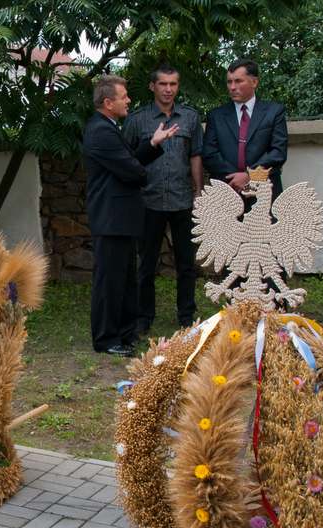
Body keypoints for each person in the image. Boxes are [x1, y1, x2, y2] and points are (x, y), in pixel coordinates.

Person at [83, 74, 176, 357]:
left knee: (124, 280)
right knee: (109, 282)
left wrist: (153, 143)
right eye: (124, 97)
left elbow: (131, 161)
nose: (129, 101)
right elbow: (132, 170)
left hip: (120, 218)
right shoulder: (100, 131)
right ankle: (106, 339)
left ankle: (124, 334)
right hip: (111, 218)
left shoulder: (109, 127)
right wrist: (141, 173)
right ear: (108, 102)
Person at [123, 64, 203, 333]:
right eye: (163, 84)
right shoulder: (137, 120)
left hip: (182, 200)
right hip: (148, 200)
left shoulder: (190, 118)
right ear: (152, 86)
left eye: (173, 84)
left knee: (186, 263)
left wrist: (198, 190)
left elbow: (195, 155)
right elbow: (127, 158)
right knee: (146, 264)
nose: (168, 89)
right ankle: (143, 317)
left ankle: (186, 315)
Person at [202, 58, 288, 198]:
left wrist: (249, 176)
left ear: (254, 82)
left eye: (238, 81)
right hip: (226, 192)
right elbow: (209, 154)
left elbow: (277, 153)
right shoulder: (216, 116)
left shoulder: (274, 112)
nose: (232, 87)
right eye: (229, 82)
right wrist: (236, 179)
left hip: (264, 193)